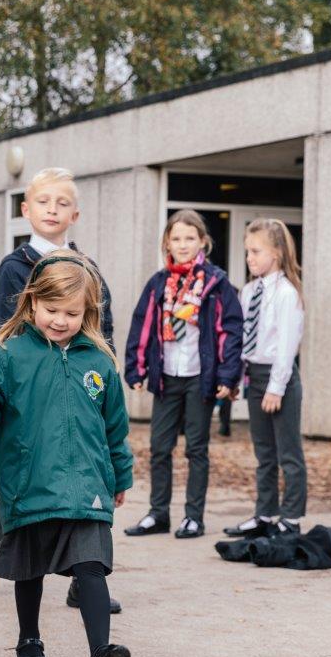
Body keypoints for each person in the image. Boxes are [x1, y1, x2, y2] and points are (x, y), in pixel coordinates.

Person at [0, 253, 134, 657]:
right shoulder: (9, 356)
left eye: (72, 313)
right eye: (52, 310)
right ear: (32, 303)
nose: (60, 321)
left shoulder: (100, 363)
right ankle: (29, 640)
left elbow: (115, 428)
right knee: (29, 568)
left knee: (92, 566)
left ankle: (100, 654)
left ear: (87, 314)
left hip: (87, 486)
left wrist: (120, 475)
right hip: (30, 480)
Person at [0, 167, 122, 613]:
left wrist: (102, 377)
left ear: (75, 214)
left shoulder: (87, 269)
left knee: (87, 478)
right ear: (26, 210)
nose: (53, 210)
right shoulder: (14, 270)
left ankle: (84, 577)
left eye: (62, 203)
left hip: (78, 395)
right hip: (30, 398)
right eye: (44, 202)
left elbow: (102, 328)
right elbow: (1, 332)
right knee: (36, 484)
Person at [123, 209, 242, 539]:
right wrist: (136, 367)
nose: (183, 244)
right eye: (176, 238)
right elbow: (142, 324)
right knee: (159, 448)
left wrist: (228, 376)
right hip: (167, 377)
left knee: (196, 449)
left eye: (190, 238)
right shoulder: (159, 283)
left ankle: (193, 517)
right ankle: (158, 514)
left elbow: (230, 330)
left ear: (203, 241)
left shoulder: (216, 283)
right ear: (167, 243)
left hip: (199, 377)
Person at [223, 219, 308, 539]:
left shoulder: (287, 294)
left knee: (289, 453)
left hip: (279, 377)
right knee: (264, 452)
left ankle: (292, 517)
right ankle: (266, 513)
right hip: (255, 376)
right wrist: (236, 379)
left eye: (256, 251)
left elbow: (287, 346)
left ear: (277, 253)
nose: (250, 258)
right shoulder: (249, 291)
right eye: (247, 252)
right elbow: (244, 339)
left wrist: (276, 388)